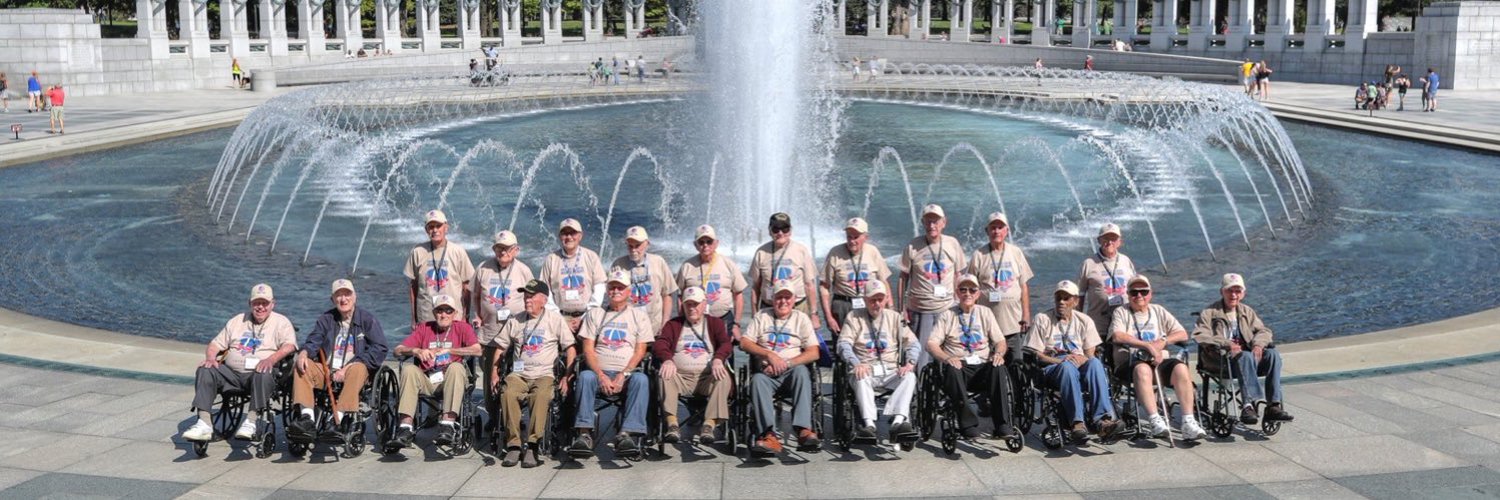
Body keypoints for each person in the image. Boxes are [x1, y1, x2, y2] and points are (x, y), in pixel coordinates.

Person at [183, 284, 297, 443]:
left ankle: (250, 421)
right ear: (250, 303)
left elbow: (289, 346)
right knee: (205, 369)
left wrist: (270, 359)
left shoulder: (281, 322)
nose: (260, 307)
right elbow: (215, 345)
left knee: (263, 371)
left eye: (265, 303)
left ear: (272, 304)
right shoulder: (237, 321)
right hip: (232, 375)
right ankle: (204, 423)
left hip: (260, 374)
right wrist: (211, 358)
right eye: (256, 303)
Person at [288, 279, 389, 443]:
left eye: (347, 294)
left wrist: (349, 366)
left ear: (355, 297)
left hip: (355, 369)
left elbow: (380, 348)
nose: (343, 299)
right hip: (328, 370)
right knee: (303, 366)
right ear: (332, 299)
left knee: (357, 368)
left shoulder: (367, 319)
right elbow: (314, 340)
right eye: (338, 295)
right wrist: (304, 353)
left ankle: (338, 419)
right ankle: (307, 418)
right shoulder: (326, 319)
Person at [490, 279, 576, 468]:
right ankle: (513, 444)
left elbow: (570, 348)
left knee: (542, 394)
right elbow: (500, 348)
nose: (527, 300)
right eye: (525, 296)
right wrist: (494, 374)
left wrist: (566, 376)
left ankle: (533, 445)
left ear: (544, 300)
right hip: (519, 374)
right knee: (508, 392)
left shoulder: (554, 319)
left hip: (544, 374)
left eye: (531, 296)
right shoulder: (515, 320)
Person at [570, 270, 654, 458]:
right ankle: (584, 434)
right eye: (612, 287)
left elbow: (640, 350)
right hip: (599, 370)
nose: (616, 290)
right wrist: (601, 375)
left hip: (627, 372)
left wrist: (623, 375)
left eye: (620, 287)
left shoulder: (639, 316)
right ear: (607, 290)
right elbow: (588, 349)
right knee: (585, 376)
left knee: (641, 379)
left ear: (629, 291)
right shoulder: (595, 314)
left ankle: (627, 434)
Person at [1109, 275, 1204, 440]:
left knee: (1180, 368)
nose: (1139, 296)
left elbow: (1182, 333)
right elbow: (1117, 336)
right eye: (1134, 292)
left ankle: (1188, 421)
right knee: (1142, 369)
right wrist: (1146, 346)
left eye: (1143, 292)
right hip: (1131, 362)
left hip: (1159, 362)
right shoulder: (1121, 312)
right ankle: (1155, 419)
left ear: (1150, 294)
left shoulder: (1158, 310)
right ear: (1128, 294)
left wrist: (1163, 341)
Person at [1025, 280, 1120, 444]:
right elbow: (1036, 354)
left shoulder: (1085, 320)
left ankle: (1102, 420)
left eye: (1066, 298)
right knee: (1067, 367)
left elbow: (1090, 353)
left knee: (1096, 364)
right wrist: (1058, 360)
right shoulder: (1042, 319)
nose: (1061, 302)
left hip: (1079, 362)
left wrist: (1083, 358)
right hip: (1052, 366)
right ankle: (1077, 422)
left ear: (1075, 301)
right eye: (1058, 298)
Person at [1191, 273, 1294, 425]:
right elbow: (1200, 335)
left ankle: (1273, 405)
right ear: (1222, 291)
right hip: (1220, 361)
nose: (1234, 295)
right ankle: (1248, 405)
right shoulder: (1210, 313)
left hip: (1248, 358)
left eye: (1237, 291)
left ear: (1243, 293)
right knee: (1245, 356)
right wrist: (1226, 343)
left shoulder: (1247, 311)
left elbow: (1264, 331)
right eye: (1230, 290)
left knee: (1273, 354)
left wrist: (1258, 344)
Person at [927, 274, 1015, 439]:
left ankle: (1003, 425)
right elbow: (931, 344)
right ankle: (968, 425)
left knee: (998, 367)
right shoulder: (947, 315)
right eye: (963, 289)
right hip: (958, 366)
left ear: (978, 294)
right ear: (957, 293)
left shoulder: (985, 312)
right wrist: (946, 358)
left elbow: (1001, 341)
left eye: (972, 289)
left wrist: (998, 354)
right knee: (952, 369)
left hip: (982, 367)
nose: (968, 293)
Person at [390, 294, 482, 449]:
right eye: (440, 310)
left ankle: (447, 424)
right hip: (428, 378)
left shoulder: (462, 328)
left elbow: (477, 350)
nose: (444, 314)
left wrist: (450, 350)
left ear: (454, 314)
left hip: (451, 380)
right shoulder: (424, 328)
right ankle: (405, 428)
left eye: (448, 311)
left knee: (456, 367)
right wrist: (416, 350)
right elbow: (397, 350)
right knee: (409, 369)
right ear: (434, 313)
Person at [743, 282, 822, 454]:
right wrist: (769, 355)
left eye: (787, 297)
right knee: (756, 380)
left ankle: (803, 429)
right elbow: (745, 342)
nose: (783, 301)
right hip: (766, 373)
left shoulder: (801, 318)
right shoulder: (761, 316)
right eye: (779, 297)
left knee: (802, 372)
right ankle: (768, 434)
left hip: (792, 371)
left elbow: (814, 352)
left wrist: (786, 363)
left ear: (794, 300)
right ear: (772, 299)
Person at [837, 280, 920, 443]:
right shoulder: (854, 317)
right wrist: (855, 362)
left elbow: (913, 343)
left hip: (891, 369)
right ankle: (869, 425)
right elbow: (843, 344)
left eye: (880, 299)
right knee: (861, 377)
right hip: (865, 368)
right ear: (865, 299)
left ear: (886, 299)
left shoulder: (895, 317)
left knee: (910, 377)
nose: (877, 304)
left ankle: (898, 423)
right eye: (872, 300)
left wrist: (910, 362)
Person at [653, 286, 734, 444]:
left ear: (704, 304)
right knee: (664, 374)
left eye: (695, 304)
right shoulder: (673, 324)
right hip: (680, 377)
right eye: (688, 304)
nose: (692, 308)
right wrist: (668, 359)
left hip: (706, 378)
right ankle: (672, 425)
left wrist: (718, 358)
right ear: (683, 305)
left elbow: (726, 344)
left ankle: (708, 425)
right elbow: (660, 344)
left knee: (723, 377)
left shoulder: (715, 323)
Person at [472, 229, 533, 433]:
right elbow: (475, 294)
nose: (502, 251)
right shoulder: (483, 268)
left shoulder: (523, 271)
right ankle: (493, 415)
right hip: (489, 334)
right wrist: (478, 315)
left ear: (516, 250)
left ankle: (514, 416)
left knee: (515, 376)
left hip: (515, 336)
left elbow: (533, 299)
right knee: (490, 378)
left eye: (507, 248)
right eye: (499, 248)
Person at [899, 204, 966, 365]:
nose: (932, 226)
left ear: (944, 223)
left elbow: (959, 275)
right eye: (928, 221)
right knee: (920, 355)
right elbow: (903, 277)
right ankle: (920, 387)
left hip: (947, 308)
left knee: (948, 352)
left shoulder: (952, 244)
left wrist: (962, 304)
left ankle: (944, 386)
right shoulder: (913, 246)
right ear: (922, 222)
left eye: (935, 221)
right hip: (921, 310)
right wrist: (901, 308)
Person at [969, 212, 1033, 362]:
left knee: (1016, 363)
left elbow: (1023, 286)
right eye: (993, 228)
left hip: (1013, 323)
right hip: (988, 326)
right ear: (987, 231)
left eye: (1000, 227)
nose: (996, 231)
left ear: (1007, 230)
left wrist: (1026, 315)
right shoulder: (978, 255)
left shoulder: (1016, 253)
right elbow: (970, 289)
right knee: (991, 364)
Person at [404, 209, 475, 330]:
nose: (435, 230)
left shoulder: (458, 251)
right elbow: (413, 286)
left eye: (438, 226)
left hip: (453, 316)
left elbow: (466, 287)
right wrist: (413, 317)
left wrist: (466, 316)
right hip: (426, 316)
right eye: (431, 227)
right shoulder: (418, 252)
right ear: (426, 230)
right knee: (426, 349)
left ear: (446, 227)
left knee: (454, 349)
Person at [749, 212, 821, 330]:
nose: (781, 233)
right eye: (776, 229)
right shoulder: (761, 253)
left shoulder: (801, 251)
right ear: (770, 230)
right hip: (769, 308)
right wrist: (754, 314)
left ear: (790, 230)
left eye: (785, 229)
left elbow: (810, 285)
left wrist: (814, 314)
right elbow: (755, 287)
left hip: (797, 307)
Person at [821, 216, 892, 334]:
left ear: (865, 237)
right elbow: (824, 286)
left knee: (867, 341)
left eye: (856, 237)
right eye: (849, 236)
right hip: (843, 305)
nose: (852, 241)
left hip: (869, 304)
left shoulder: (873, 252)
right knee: (842, 343)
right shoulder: (835, 253)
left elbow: (883, 281)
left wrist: (890, 308)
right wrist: (828, 317)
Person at [676, 224, 748, 338]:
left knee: (725, 354)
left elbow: (738, 295)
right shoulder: (687, 266)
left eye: (709, 241)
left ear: (716, 243)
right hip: (695, 322)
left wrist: (736, 324)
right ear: (695, 245)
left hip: (723, 319)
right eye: (701, 242)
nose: (705, 245)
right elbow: (680, 295)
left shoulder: (728, 264)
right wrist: (681, 319)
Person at [538, 218, 607, 333]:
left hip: (587, 316)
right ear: (560, 236)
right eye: (565, 233)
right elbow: (545, 291)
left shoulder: (591, 256)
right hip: (559, 317)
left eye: (573, 233)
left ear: (580, 236)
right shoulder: (551, 259)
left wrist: (585, 317)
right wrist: (559, 318)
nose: (569, 237)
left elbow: (599, 288)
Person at [609, 225, 678, 333]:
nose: (633, 249)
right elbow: (612, 296)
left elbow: (667, 294)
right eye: (630, 246)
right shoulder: (618, 264)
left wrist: (665, 322)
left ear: (647, 244)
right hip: (628, 328)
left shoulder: (658, 262)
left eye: (637, 245)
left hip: (655, 326)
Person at [1077, 222, 1136, 338]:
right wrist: (1077, 323)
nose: (1109, 242)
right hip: (1098, 323)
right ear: (1099, 240)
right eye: (1106, 238)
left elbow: (1135, 290)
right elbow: (1079, 296)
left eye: (1113, 239)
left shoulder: (1126, 261)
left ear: (1120, 241)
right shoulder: (1088, 263)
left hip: (1124, 322)